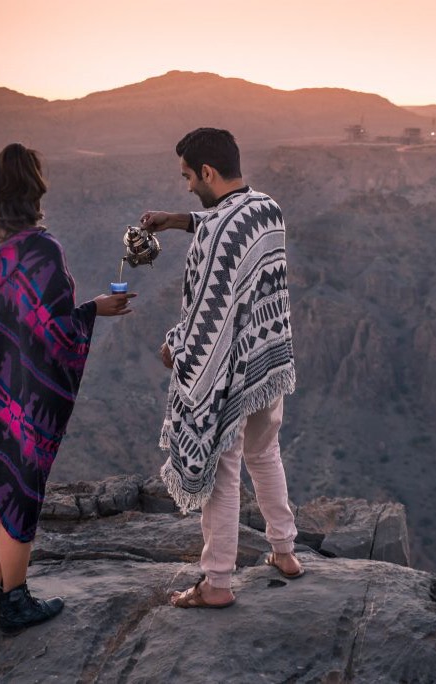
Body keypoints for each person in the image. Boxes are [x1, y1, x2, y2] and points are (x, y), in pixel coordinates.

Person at [0, 142, 136, 634]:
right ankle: (15, 602)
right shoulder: (41, 251)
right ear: (33, 190)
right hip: (20, 400)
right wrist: (94, 310)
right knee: (19, 494)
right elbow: (55, 330)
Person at [139, 128, 301, 609]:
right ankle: (285, 552)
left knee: (220, 470)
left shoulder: (215, 233)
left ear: (207, 171)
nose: (187, 185)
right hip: (267, 359)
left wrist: (176, 349)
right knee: (265, 454)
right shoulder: (267, 209)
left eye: (189, 176)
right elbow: (231, 225)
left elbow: (206, 316)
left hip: (229, 370)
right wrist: (177, 220)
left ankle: (217, 583)